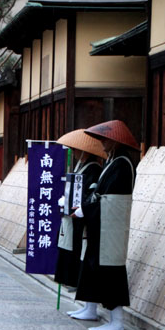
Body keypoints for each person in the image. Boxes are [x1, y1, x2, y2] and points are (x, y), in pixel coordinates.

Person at [72, 120, 138, 330]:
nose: (101, 143)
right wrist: (87, 205)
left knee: (112, 272)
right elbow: (101, 194)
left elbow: (110, 200)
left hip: (112, 228)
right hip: (104, 225)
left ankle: (117, 323)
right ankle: (93, 310)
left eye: (104, 139)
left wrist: (87, 208)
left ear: (114, 140)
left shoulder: (122, 163)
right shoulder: (113, 161)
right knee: (95, 268)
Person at [52, 129, 104, 301]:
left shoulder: (94, 169)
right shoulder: (81, 167)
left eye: (75, 150)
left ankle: (75, 281)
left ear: (84, 151)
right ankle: (70, 280)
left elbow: (91, 194)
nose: (73, 153)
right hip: (72, 216)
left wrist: (77, 205)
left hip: (81, 218)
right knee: (69, 247)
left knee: (77, 250)